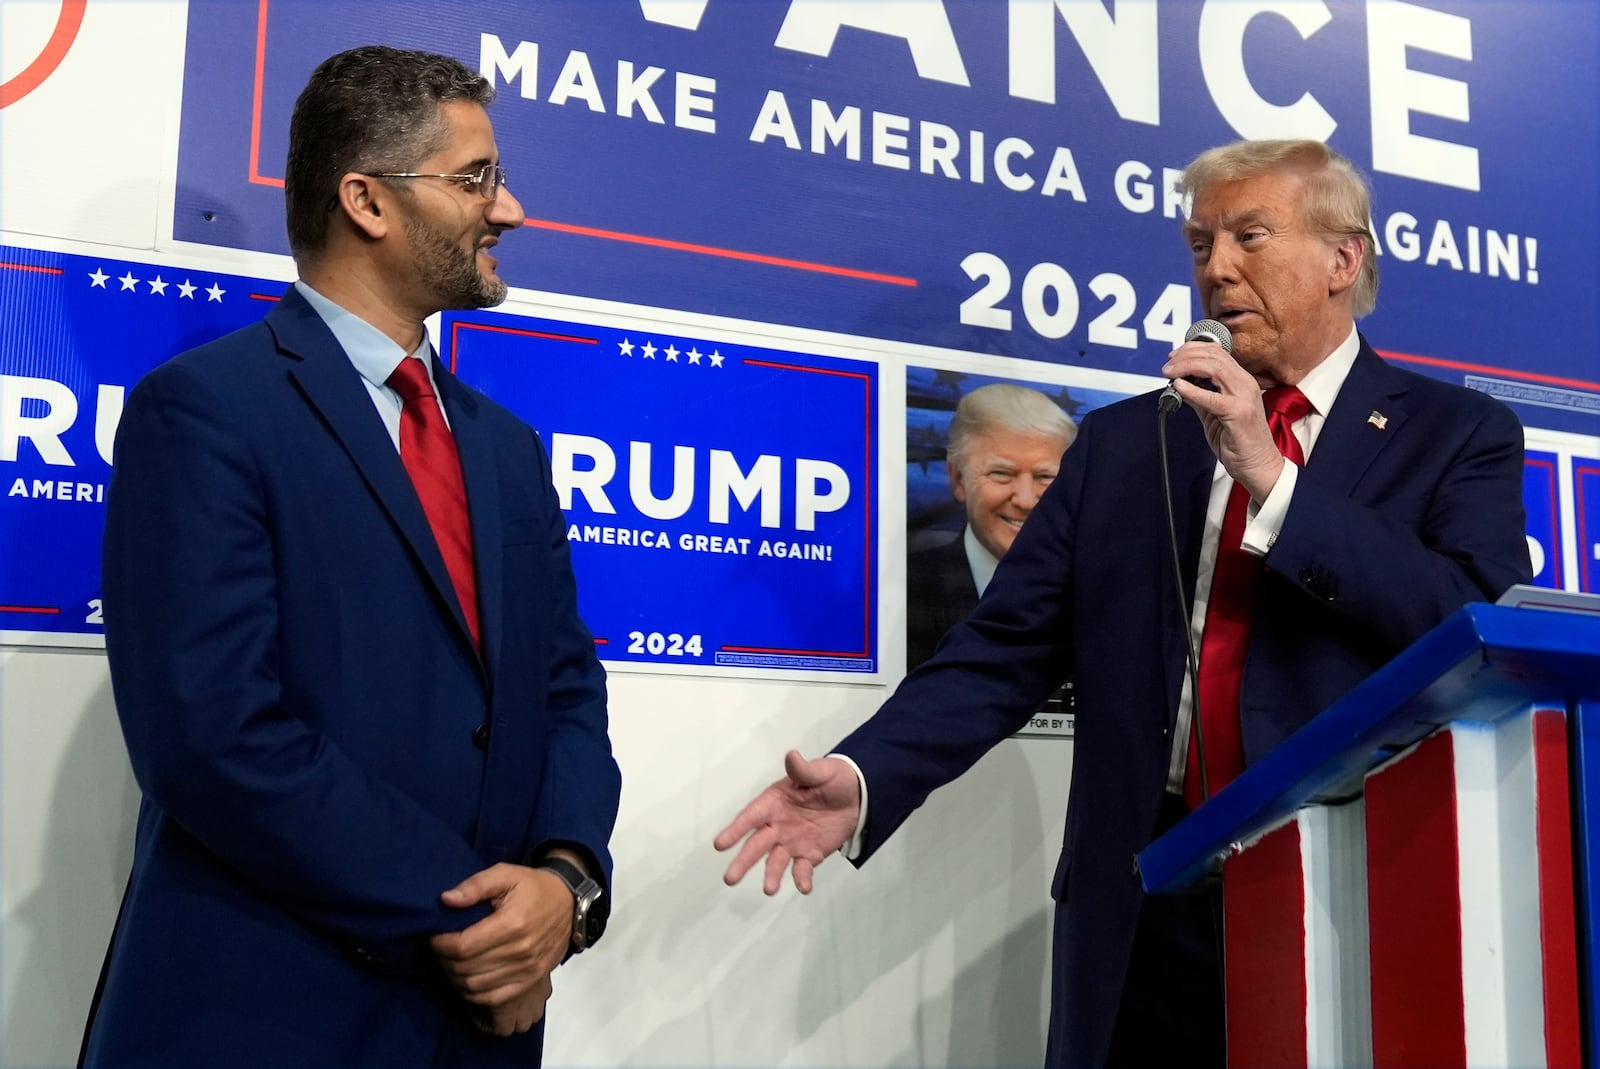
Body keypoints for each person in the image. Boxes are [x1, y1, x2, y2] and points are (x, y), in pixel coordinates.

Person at [715, 139, 1531, 1068]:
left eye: (1250, 237)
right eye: (1200, 244)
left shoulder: (1458, 433)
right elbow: (1002, 651)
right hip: (1146, 904)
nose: (1216, 268)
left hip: (1347, 890)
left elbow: (1466, 627)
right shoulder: (1123, 445)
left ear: (1344, 259)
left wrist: (1271, 481)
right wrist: (863, 778)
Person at [80, 45, 620, 1069]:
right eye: (476, 180)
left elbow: (563, 691)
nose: (507, 212)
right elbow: (214, 736)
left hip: (479, 1024)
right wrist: (476, 918)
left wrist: (563, 881)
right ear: (368, 202)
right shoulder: (204, 412)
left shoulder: (506, 447)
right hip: (270, 1013)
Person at [906, 383, 1076, 670]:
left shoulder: (1103, 598)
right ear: (958, 479)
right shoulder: (909, 589)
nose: (1024, 499)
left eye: (1045, 477)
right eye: (1001, 474)